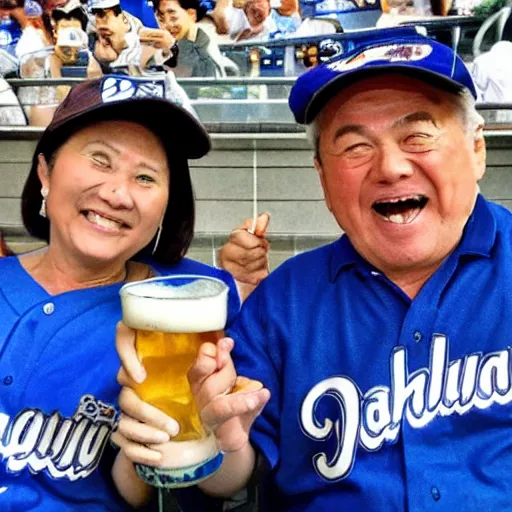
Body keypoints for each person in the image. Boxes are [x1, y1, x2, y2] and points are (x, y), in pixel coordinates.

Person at [118, 30, 512, 511]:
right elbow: (234, 475)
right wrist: (223, 440)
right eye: (354, 148)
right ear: (323, 177)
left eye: (417, 136)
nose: (390, 167)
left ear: (477, 150)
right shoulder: (281, 305)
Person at [0, 74, 241, 510]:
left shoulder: (190, 307)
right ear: (44, 171)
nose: (117, 193)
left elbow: (211, 475)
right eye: (100, 159)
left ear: (168, 203)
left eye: (146, 177)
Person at [152, 0, 225, 78]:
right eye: (161, 19)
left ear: (191, 14)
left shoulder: (203, 43)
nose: (167, 25)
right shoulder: (161, 45)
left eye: (173, 18)